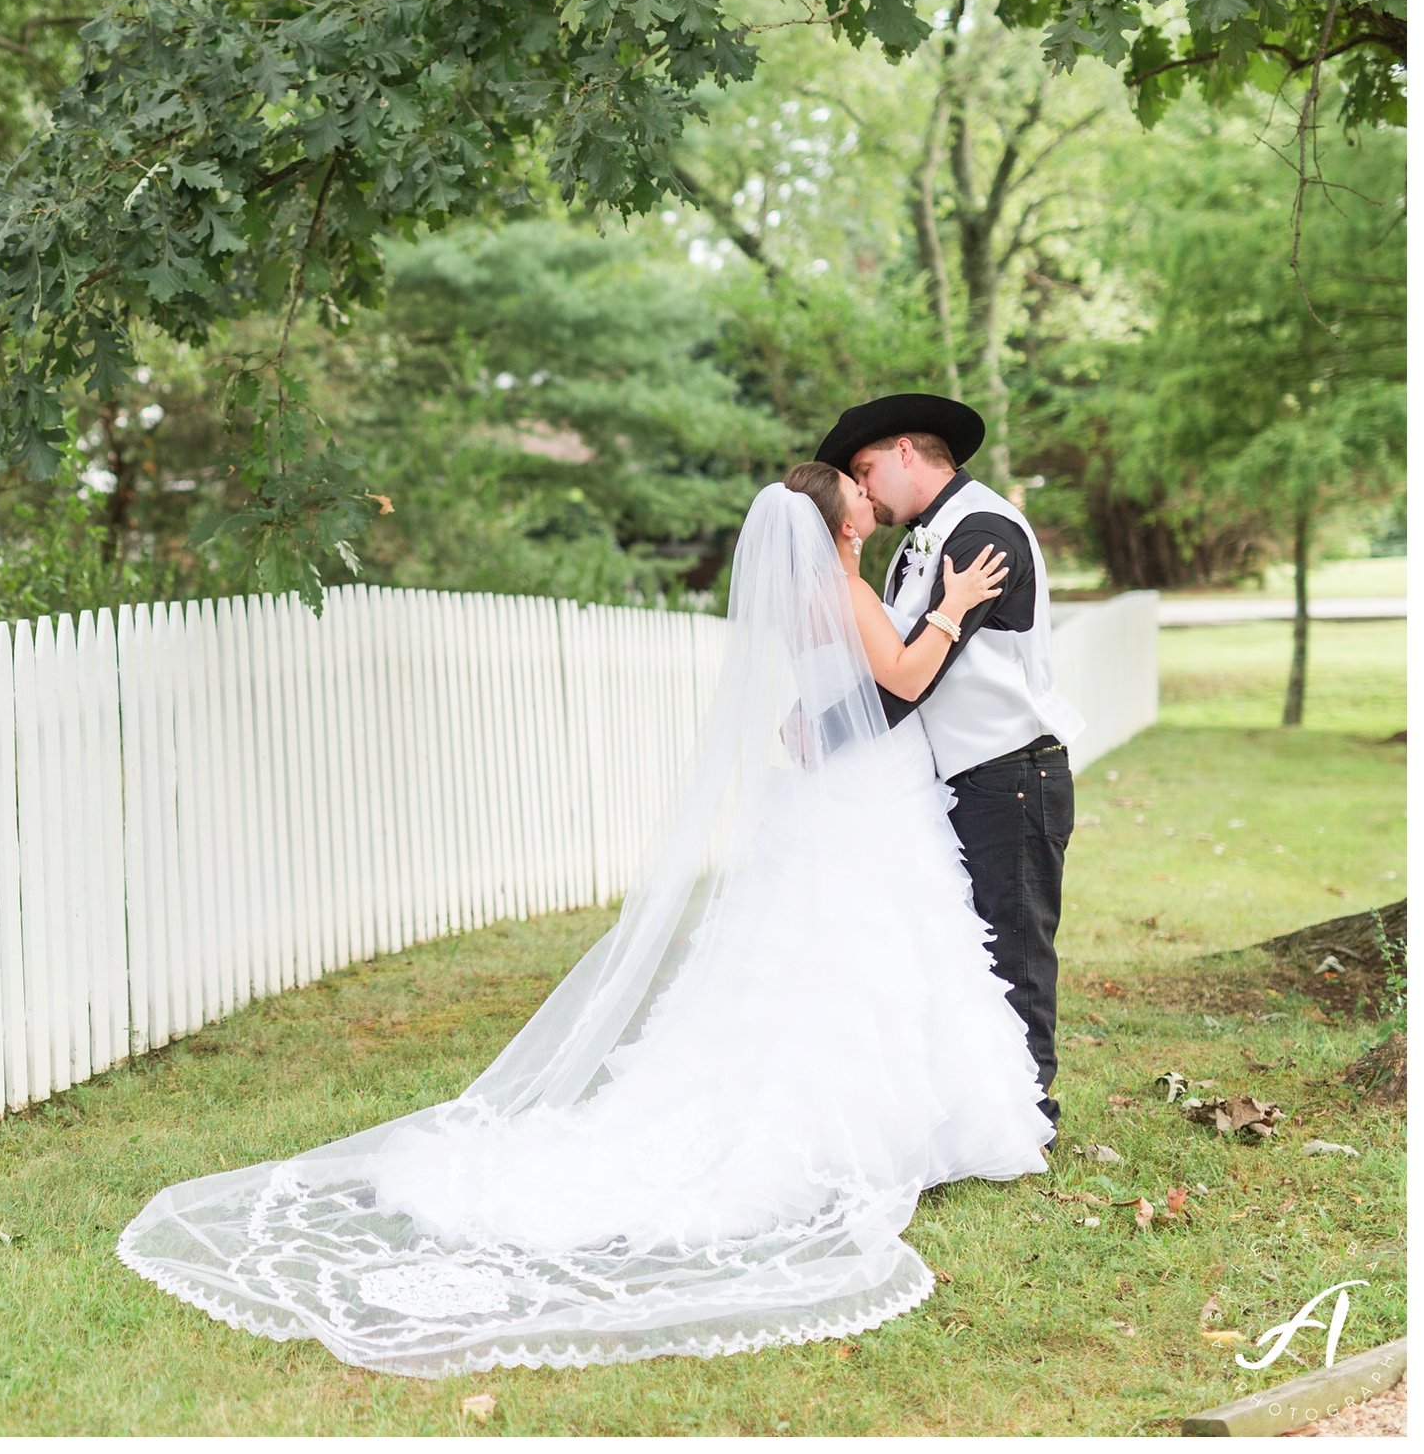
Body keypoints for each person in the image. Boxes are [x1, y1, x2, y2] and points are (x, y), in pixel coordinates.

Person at [117, 476, 1053, 1376]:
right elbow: (900, 673)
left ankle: (899, 1126)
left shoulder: (810, 597)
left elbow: (818, 706)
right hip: (864, 803)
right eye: (851, 486)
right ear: (836, 524)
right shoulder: (848, 587)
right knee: (869, 958)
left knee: (820, 962)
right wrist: (951, 604)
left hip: (833, 796)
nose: (864, 489)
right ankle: (883, 1131)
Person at [814, 393, 1084, 1142]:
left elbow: (915, 676)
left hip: (1011, 770)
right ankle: (982, 1107)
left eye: (866, 470)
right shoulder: (919, 542)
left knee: (1015, 944)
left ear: (907, 450)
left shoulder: (983, 531)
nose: (863, 490)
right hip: (962, 776)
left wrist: (825, 734)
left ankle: (1031, 1116)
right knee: (973, 951)